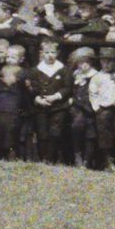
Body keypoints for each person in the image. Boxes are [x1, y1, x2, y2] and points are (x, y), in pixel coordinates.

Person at [26, 36, 72, 166]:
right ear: (41, 53)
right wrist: (38, 99)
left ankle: (52, 159)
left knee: (55, 132)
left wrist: (55, 96)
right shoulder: (35, 70)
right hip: (41, 107)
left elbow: (67, 87)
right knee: (42, 133)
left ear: (57, 54)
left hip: (58, 107)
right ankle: (42, 158)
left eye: (53, 52)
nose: (50, 56)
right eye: (46, 53)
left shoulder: (64, 70)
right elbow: (32, 87)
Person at [0, 61, 30, 161]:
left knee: (10, 138)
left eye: (6, 76)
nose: (2, 78)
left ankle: (9, 156)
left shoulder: (19, 88)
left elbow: (24, 102)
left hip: (12, 115)